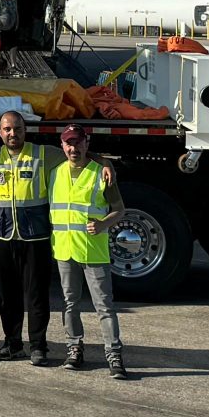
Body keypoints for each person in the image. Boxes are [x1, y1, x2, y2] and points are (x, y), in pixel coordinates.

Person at [50, 123, 130, 379]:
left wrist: (104, 223)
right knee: (70, 303)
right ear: (62, 146)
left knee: (104, 306)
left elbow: (120, 209)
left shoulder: (100, 173)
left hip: (94, 251)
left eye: (78, 142)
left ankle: (114, 354)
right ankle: (74, 349)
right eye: (68, 143)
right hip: (64, 250)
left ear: (87, 143)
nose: (73, 148)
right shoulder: (55, 172)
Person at [0, 110, 52, 364]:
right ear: (0, 132)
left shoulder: (43, 154)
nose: (12, 134)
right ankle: (12, 343)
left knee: (36, 295)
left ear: (26, 130)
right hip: (3, 238)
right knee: (8, 296)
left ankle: (38, 346)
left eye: (17, 129)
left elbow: (76, 155)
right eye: (7, 129)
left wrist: (104, 162)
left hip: (34, 238)